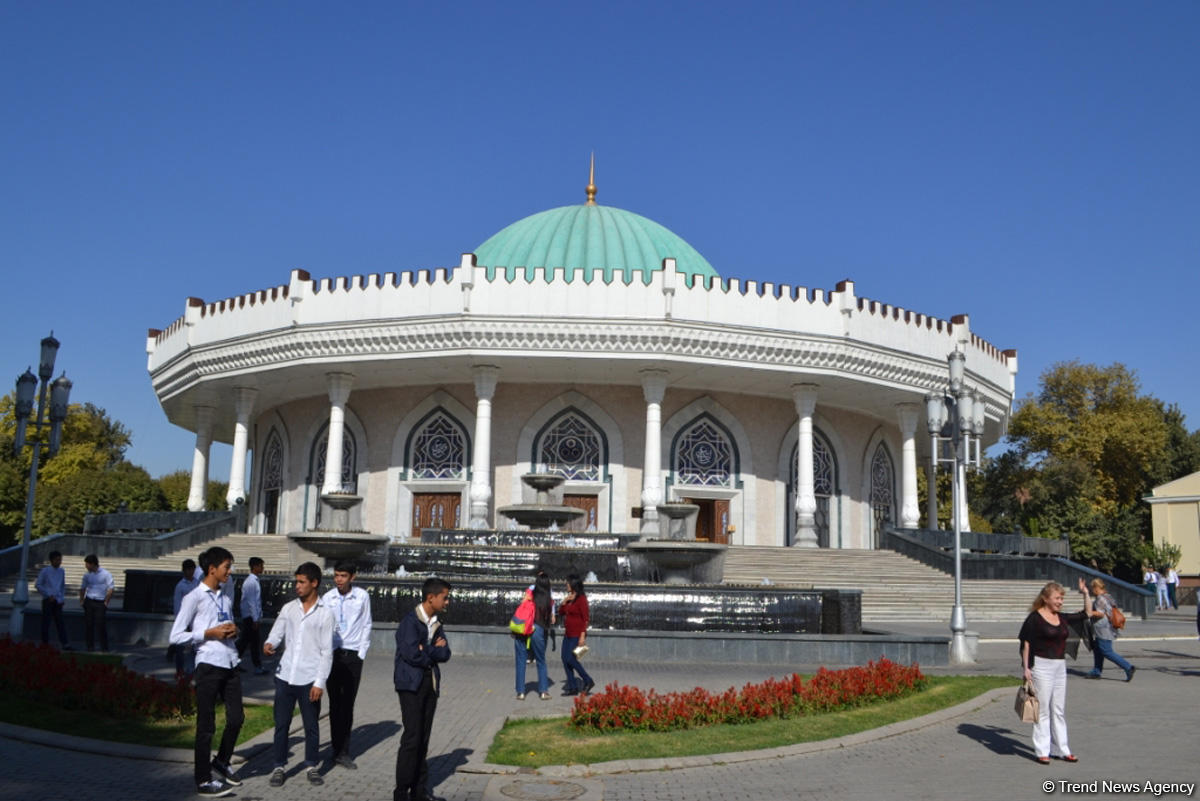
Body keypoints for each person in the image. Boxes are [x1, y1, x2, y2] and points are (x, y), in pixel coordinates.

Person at [170, 546, 244, 798]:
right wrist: (209, 634)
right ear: (212, 569)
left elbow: (227, 622)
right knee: (206, 725)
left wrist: (234, 631)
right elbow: (176, 636)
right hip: (208, 664)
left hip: (231, 662)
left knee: (237, 718)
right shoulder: (194, 597)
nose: (229, 572)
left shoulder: (225, 596)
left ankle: (222, 761)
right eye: (226, 567)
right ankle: (203, 780)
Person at [264, 561, 334, 788]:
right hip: (286, 675)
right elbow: (277, 632)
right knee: (281, 724)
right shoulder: (289, 608)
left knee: (311, 725)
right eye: (296, 581)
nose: (297, 586)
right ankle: (278, 765)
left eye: (302, 582)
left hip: (309, 679)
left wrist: (319, 682)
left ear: (315, 583)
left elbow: (326, 651)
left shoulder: (325, 614)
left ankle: (312, 765)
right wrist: (270, 643)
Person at [1018, 579, 1092, 765]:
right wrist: (1026, 668)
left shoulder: (1062, 617)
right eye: (1057, 598)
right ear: (1046, 599)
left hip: (1059, 666)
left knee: (1058, 709)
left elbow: (1087, 614)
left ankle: (1062, 749)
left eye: (1061, 598)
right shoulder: (1034, 618)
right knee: (1042, 709)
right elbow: (1026, 643)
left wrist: (1085, 594)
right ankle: (1042, 750)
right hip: (1041, 666)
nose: (1060, 602)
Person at [393, 577, 451, 801]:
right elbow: (410, 654)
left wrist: (425, 649)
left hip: (430, 683)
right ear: (431, 597)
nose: (447, 602)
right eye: (444, 598)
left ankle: (419, 791)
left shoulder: (436, 622)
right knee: (412, 737)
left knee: (423, 738)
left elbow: (446, 653)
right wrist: (431, 650)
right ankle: (401, 792)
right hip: (410, 685)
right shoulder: (410, 622)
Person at [323, 560, 373, 770]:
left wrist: (361, 653)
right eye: (336, 576)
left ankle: (344, 750)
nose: (339, 580)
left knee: (347, 703)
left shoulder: (361, 596)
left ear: (352, 577)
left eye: (343, 576)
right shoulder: (328, 598)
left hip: (352, 656)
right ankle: (335, 749)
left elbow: (367, 624)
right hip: (332, 655)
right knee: (335, 703)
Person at [1084, 578, 1136, 682]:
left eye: (1092, 588)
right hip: (1106, 627)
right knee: (1098, 649)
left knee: (1106, 651)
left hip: (1104, 629)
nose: (1091, 591)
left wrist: (1088, 612)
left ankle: (1128, 667)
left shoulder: (1100, 598)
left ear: (1096, 588)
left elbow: (1100, 613)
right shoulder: (1108, 596)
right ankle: (1096, 671)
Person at [515, 573, 554, 700]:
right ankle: (543, 691)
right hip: (537, 629)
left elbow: (521, 606)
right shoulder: (548, 599)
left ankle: (521, 692)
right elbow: (548, 620)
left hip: (523, 627)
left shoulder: (530, 593)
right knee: (541, 661)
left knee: (521, 660)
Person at [557, 573, 595, 697]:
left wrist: (582, 636)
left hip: (577, 635)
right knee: (564, 658)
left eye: (568, 583)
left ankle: (588, 680)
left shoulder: (581, 599)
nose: (566, 585)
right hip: (568, 634)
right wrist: (564, 601)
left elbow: (585, 619)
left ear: (573, 584)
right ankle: (573, 687)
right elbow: (561, 612)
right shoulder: (570, 598)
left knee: (571, 659)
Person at [236, 557, 267, 675]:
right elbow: (252, 602)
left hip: (251, 617)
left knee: (247, 642)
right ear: (254, 567)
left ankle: (235, 662)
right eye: (261, 566)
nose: (262, 568)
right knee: (251, 642)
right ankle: (256, 666)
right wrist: (255, 619)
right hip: (250, 617)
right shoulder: (251, 582)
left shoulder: (254, 581)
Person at [79, 554, 114, 651]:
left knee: (100, 625)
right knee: (89, 624)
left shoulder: (105, 574)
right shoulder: (87, 575)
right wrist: (82, 600)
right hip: (89, 600)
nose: (86, 566)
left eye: (87, 564)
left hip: (100, 602)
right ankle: (90, 646)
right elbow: (83, 588)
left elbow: (110, 588)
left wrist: (106, 601)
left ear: (92, 564)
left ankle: (104, 647)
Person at [172, 558, 200, 680]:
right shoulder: (180, 586)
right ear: (184, 571)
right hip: (184, 619)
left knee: (194, 646)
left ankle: (191, 670)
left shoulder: (197, 583)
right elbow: (177, 604)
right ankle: (179, 670)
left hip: (195, 619)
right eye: (188, 570)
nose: (190, 572)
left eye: (192, 569)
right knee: (181, 648)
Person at [35, 550, 70, 648]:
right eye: (57, 560)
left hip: (58, 600)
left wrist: (62, 598)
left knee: (60, 623)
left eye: (60, 560)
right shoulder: (45, 571)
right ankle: (45, 643)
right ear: (52, 560)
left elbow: (62, 585)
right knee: (46, 622)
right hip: (48, 600)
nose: (59, 562)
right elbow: (38, 585)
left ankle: (65, 643)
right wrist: (47, 594)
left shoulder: (61, 571)